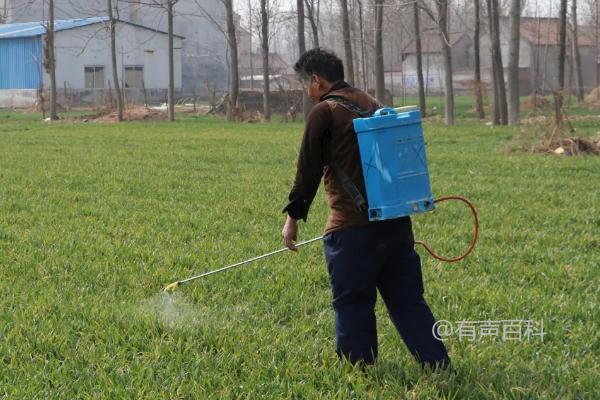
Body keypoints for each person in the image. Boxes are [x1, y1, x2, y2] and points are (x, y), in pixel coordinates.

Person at [281, 48, 451, 370]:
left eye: (306, 83)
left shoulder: (324, 111)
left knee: (353, 304)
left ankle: (360, 372)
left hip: (351, 230)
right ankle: (438, 363)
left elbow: (307, 172)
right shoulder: (372, 103)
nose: (306, 91)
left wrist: (292, 220)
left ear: (316, 80)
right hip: (395, 224)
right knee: (408, 302)